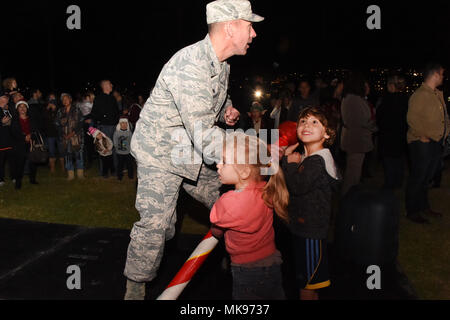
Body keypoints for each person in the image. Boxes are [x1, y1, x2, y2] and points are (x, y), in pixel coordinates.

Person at [123, 0, 263, 300]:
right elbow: (203, 134)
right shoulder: (190, 65)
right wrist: (254, 154)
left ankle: (238, 258)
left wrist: (226, 110)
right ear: (231, 27)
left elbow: (212, 103)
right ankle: (134, 289)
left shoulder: (222, 63)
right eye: (249, 26)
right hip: (160, 152)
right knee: (157, 226)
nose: (253, 33)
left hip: (188, 150)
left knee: (230, 200)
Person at [210, 132, 288, 300]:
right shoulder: (266, 189)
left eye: (224, 161)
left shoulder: (228, 202)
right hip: (272, 261)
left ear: (244, 172)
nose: (218, 165)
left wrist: (216, 231)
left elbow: (216, 230)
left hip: (245, 269)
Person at [281, 106, 340, 300]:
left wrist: (290, 164)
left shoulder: (318, 160)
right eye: (303, 121)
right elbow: (292, 180)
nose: (307, 125)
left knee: (307, 286)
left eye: (315, 122)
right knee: (308, 284)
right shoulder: (309, 158)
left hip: (311, 233)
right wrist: (287, 160)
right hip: (303, 229)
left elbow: (297, 185)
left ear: (327, 133)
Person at [405, 62, 449, 223]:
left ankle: (423, 206)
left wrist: (444, 134)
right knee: (418, 177)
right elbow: (412, 119)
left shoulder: (436, 94)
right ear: (435, 75)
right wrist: (423, 136)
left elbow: (443, 117)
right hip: (422, 143)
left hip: (435, 142)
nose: (444, 77)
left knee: (427, 177)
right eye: (442, 74)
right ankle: (412, 211)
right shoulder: (420, 95)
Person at [340, 71, 377, 196]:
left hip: (352, 139)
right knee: (353, 174)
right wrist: (375, 127)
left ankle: (350, 197)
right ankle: (348, 199)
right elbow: (365, 120)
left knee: (353, 171)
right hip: (356, 140)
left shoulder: (348, 98)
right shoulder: (355, 99)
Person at [376, 74, 409, 189]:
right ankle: (398, 182)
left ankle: (390, 184)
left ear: (392, 85)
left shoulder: (386, 100)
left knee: (389, 161)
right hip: (401, 135)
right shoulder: (406, 99)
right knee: (399, 159)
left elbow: (379, 117)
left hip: (388, 135)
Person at [90, 80, 120, 176]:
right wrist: (99, 122)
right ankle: (104, 171)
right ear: (105, 86)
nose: (112, 85)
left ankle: (114, 169)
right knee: (103, 148)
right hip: (104, 127)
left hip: (114, 126)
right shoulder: (99, 98)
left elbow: (116, 112)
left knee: (114, 148)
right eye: (110, 84)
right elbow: (95, 113)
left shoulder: (112, 98)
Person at [55, 93, 85, 180]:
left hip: (77, 137)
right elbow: (57, 124)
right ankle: (70, 175)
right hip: (65, 138)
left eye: (66, 99)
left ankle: (80, 175)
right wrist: (63, 134)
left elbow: (81, 122)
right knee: (67, 155)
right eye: (63, 100)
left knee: (79, 154)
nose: (65, 101)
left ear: (70, 99)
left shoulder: (77, 110)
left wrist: (73, 133)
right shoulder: (60, 111)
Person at [11, 101, 39, 189]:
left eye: (24, 107)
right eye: (20, 107)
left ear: (27, 109)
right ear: (17, 109)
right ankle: (18, 183)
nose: (22, 109)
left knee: (32, 162)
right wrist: (24, 137)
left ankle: (32, 180)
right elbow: (14, 132)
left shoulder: (32, 119)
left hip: (31, 144)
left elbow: (35, 130)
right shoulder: (15, 120)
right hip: (19, 145)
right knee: (19, 164)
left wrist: (31, 135)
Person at [43, 94, 64, 173]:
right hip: (49, 133)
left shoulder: (60, 108)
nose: (52, 99)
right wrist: (47, 108)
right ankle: (52, 168)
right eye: (50, 97)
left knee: (61, 150)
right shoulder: (45, 108)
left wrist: (55, 109)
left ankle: (63, 167)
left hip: (59, 133)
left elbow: (61, 120)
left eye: (53, 97)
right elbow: (43, 119)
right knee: (51, 151)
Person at [0, 91, 15, 186]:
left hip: (10, 139)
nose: (6, 100)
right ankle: (0, 179)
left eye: (7, 99)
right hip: (1, 140)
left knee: (12, 160)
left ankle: (13, 177)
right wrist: (1, 122)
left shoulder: (9, 109)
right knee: (1, 161)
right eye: (4, 98)